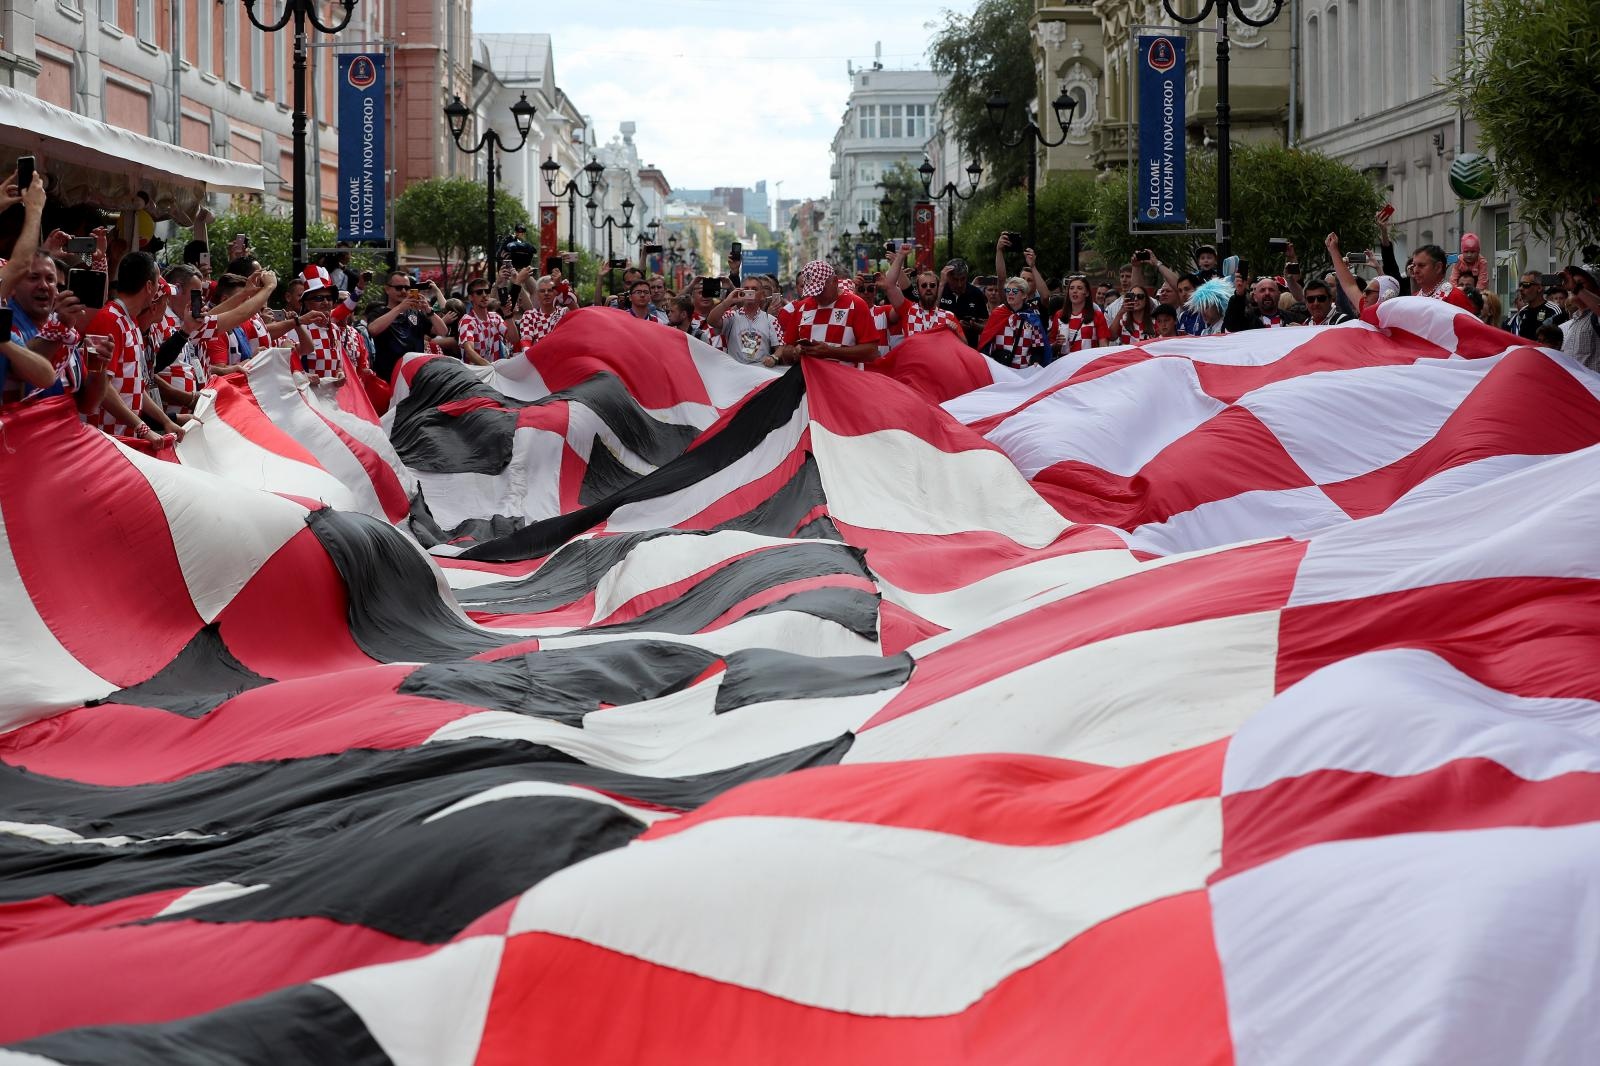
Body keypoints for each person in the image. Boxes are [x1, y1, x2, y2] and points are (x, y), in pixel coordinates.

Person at [86, 251, 187, 445]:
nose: (159, 288)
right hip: (104, 439)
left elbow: (137, 388)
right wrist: (143, 428)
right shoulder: (108, 320)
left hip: (122, 438)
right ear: (149, 286)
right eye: (158, 282)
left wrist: (165, 422)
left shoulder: (130, 322)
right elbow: (102, 388)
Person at [772, 260, 885, 366]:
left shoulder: (856, 305)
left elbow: (871, 352)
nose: (817, 295)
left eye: (821, 290)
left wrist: (830, 352)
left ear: (835, 281)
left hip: (843, 382)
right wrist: (794, 352)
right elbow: (786, 351)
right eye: (812, 291)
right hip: (810, 382)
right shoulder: (802, 307)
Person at [366, 272, 446, 381]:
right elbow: (373, 330)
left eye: (407, 288)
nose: (403, 291)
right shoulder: (378, 312)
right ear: (387, 289)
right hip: (389, 379)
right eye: (398, 288)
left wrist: (429, 310)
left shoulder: (417, 313)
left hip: (415, 377)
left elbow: (443, 332)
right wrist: (400, 308)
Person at [976, 276, 1051, 368]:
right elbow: (986, 342)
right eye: (1008, 291)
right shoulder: (998, 314)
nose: (1010, 293)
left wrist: (1035, 361)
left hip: (1023, 371)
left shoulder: (1032, 318)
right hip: (1000, 369)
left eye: (1015, 291)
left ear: (1024, 295)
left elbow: (1038, 346)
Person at [707, 280, 783, 364]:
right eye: (746, 288)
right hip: (736, 370)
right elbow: (711, 321)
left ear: (762, 295)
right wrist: (728, 301)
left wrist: (774, 357)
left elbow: (780, 347)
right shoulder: (731, 316)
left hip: (761, 372)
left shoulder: (771, 320)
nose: (749, 291)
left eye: (754, 289)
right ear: (742, 293)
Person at [936, 257, 988, 346]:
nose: (959, 284)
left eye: (963, 279)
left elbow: (986, 326)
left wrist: (974, 326)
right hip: (942, 345)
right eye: (955, 279)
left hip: (968, 347)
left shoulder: (976, 293)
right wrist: (941, 284)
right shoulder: (939, 290)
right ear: (947, 277)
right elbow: (931, 312)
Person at [1558, 264, 1600, 372]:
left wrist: (1577, 289)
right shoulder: (1568, 325)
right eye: (1570, 283)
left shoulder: (1596, 318)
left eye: (1579, 283)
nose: (1571, 287)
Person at [457, 279, 508, 365]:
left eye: (487, 291)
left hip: (493, 372)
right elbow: (469, 352)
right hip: (474, 374)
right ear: (470, 297)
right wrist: (489, 367)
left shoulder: (495, 317)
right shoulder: (467, 320)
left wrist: (509, 315)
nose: (484, 295)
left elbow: (514, 339)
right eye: (479, 292)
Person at [515, 275, 568, 350]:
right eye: (542, 291)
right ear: (537, 294)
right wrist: (527, 353)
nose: (546, 293)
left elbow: (578, 313)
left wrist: (567, 293)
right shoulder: (529, 315)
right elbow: (526, 339)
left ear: (556, 293)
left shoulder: (563, 312)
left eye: (550, 290)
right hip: (537, 357)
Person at [1506, 272, 1565, 338]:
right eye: (1520, 285)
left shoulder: (1553, 310)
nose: (1521, 289)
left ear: (1539, 288)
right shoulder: (1522, 312)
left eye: (1526, 285)